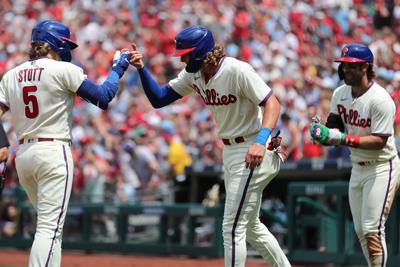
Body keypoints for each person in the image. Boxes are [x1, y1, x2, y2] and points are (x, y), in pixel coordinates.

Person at [129, 25, 290, 267]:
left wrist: (260, 141)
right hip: (232, 151)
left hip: (253, 147)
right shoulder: (193, 75)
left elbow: (272, 103)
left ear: (203, 52)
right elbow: (159, 99)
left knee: (231, 227)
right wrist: (142, 69)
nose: (182, 59)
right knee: (251, 227)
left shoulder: (236, 69)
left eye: (186, 54)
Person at [0, 20, 131, 267]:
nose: (67, 49)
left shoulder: (11, 75)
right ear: (54, 43)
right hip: (53, 150)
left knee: (49, 227)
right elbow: (103, 97)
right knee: (49, 228)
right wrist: (118, 68)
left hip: (24, 155)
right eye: (65, 43)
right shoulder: (63, 70)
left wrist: (2, 145)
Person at [310, 43, 400, 267]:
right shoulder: (340, 94)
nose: (346, 71)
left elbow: (380, 141)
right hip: (357, 166)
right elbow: (334, 128)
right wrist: (322, 133)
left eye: (352, 66)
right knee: (361, 231)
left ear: (365, 68)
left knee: (372, 229)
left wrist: (342, 139)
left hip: (382, 166)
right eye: (344, 66)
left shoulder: (380, 99)